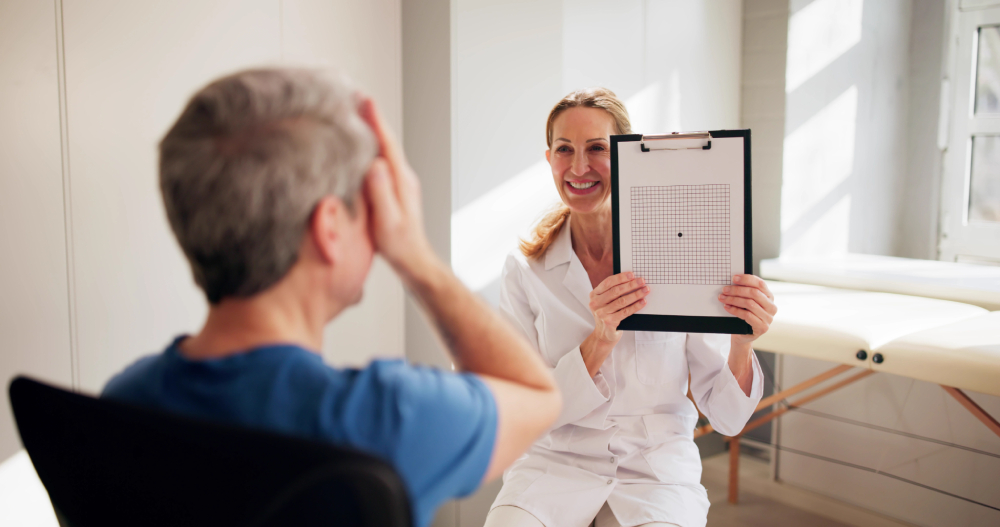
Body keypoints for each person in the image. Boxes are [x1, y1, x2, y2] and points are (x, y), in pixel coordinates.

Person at [101, 68, 562, 527]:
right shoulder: (388, 418)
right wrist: (417, 257)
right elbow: (537, 396)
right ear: (328, 229)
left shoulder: (122, 402)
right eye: (367, 206)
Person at [484, 88, 777, 527]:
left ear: (626, 158)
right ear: (549, 160)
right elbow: (522, 409)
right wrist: (598, 342)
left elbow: (728, 417)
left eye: (597, 149)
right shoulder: (525, 271)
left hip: (655, 474)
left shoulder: (681, 260)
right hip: (554, 469)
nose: (579, 167)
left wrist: (742, 340)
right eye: (565, 149)